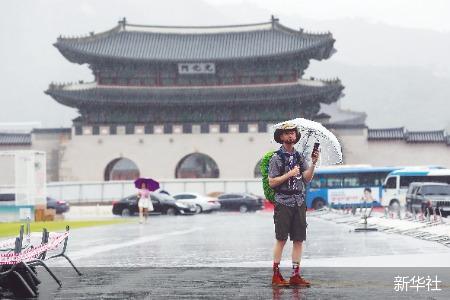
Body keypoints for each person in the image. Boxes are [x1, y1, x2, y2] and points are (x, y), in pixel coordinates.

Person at [268, 122, 319, 287]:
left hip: (299, 201)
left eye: (293, 133)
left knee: (298, 239)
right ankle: (276, 274)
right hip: (283, 201)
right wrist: (289, 174)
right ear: (281, 137)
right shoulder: (276, 158)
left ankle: (295, 275)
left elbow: (307, 178)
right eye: (287, 133)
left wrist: (313, 163)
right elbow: (272, 182)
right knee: (281, 239)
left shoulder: (299, 157)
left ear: (296, 136)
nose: (291, 135)